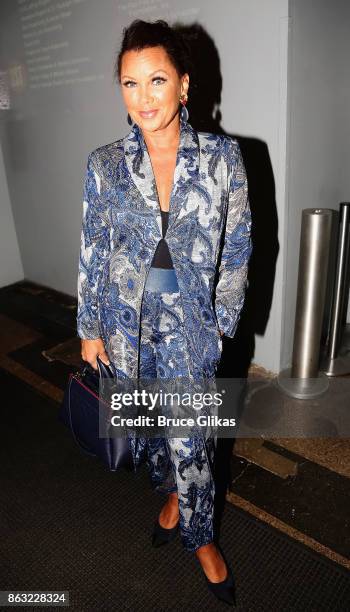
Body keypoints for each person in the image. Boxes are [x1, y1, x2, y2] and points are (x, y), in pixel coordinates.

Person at [77, 19, 252, 606]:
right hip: (129, 331)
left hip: (193, 333)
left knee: (194, 441)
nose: (143, 97)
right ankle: (173, 495)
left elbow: (241, 248)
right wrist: (89, 329)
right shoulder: (104, 166)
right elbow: (93, 250)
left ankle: (201, 537)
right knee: (152, 435)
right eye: (130, 83)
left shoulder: (224, 159)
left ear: (183, 85)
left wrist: (222, 322)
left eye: (156, 80)